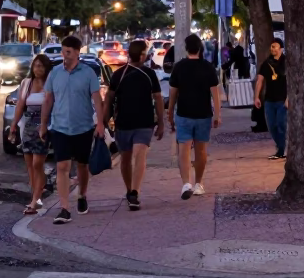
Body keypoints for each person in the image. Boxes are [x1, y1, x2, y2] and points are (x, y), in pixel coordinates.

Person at [39, 34, 105, 225]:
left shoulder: (88, 73)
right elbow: (48, 99)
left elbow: (97, 99)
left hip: (83, 127)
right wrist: (43, 125)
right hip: (59, 127)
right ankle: (64, 208)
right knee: (62, 166)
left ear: (77, 52)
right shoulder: (55, 73)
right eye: (63, 51)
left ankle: (82, 195)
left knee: (82, 165)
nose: (64, 55)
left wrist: (100, 123)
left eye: (68, 52)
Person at [103, 39, 165, 211]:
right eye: (145, 52)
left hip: (144, 123)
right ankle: (129, 189)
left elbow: (158, 98)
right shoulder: (119, 74)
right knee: (125, 159)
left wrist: (161, 122)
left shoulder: (149, 74)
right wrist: (104, 121)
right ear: (141, 54)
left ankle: (134, 193)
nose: (147, 55)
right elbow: (109, 98)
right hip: (123, 122)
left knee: (140, 154)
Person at [168, 32, 221, 200]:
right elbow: (215, 94)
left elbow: (173, 93)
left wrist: (170, 113)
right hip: (204, 114)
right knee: (201, 150)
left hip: (183, 113)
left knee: (183, 150)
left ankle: (186, 183)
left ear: (186, 49)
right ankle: (198, 183)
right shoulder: (208, 67)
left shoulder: (179, 67)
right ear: (200, 49)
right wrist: (217, 115)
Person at [9, 53, 54, 214]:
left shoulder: (50, 83)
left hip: (43, 126)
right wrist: (14, 125)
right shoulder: (26, 83)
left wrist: (44, 125)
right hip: (27, 126)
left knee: (37, 164)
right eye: (35, 66)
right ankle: (36, 198)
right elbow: (20, 104)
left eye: (41, 66)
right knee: (29, 165)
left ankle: (36, 198)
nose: (37, 69)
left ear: (47, 68)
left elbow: (50, 104)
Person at [254, 37, 288, 160]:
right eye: (272, 46)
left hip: (282, 100)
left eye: (275, 46)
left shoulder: (287, 62)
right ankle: (280, 147)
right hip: (269, 100)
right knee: (271, 125)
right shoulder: (266, 63)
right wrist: (256, 97)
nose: (272, 49)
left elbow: (292, 81)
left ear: (281, 49)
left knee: (281, 123)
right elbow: (260, 80)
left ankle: (281, 150)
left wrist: (289, 98)